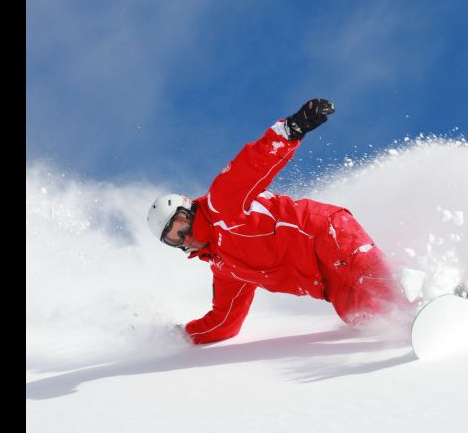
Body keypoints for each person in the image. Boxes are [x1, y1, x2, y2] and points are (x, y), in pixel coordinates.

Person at [147, 99, 408, 345]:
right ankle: (415, 323)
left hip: (323, 232)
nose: (184, 236)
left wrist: (291, 128)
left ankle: (426, 296)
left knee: (373, 277)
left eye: (181, 223)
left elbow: (252, 164)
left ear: (189, 209)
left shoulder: (221, 203)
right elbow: (224, 322)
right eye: (173, 238)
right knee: (364, 316)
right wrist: (178, 337)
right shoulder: (226, 268)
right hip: (326, 281)